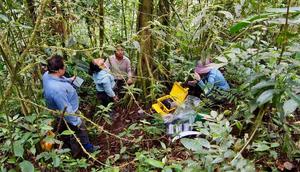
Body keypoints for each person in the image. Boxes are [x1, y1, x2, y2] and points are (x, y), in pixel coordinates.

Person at [42, 55, 99, 156]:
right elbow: (67, 111)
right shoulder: (58, 90)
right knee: (78, 131)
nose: (65, 67)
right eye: (64, 67)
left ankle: (74, 148)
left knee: (67, 131)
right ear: (58, 70)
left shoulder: (47, 75)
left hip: (57, 111)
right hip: (68, 113)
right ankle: (83, 151)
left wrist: (69, 80)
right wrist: (77, 121)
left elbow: (58, 81)